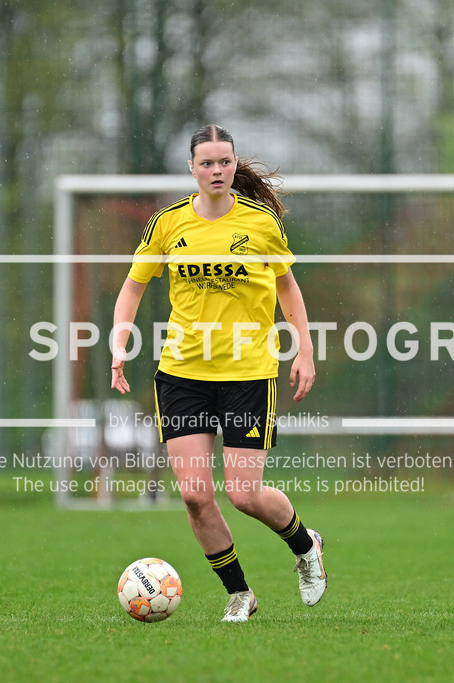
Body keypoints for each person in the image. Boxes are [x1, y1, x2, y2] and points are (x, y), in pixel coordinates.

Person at [109, 123, 325, 622]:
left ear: (234, 164)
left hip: (248, 371)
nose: (217, 170)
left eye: (224, 161)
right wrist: (118, 343)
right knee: (193, 495)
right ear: (191, 168)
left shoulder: (261, 223)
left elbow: (287, 289)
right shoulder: (167, 223)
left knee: (244, 494)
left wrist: (305, 350)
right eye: (206, 163)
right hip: (182, 372)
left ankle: (305, 544)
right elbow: (132, 287)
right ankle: (240, 594)